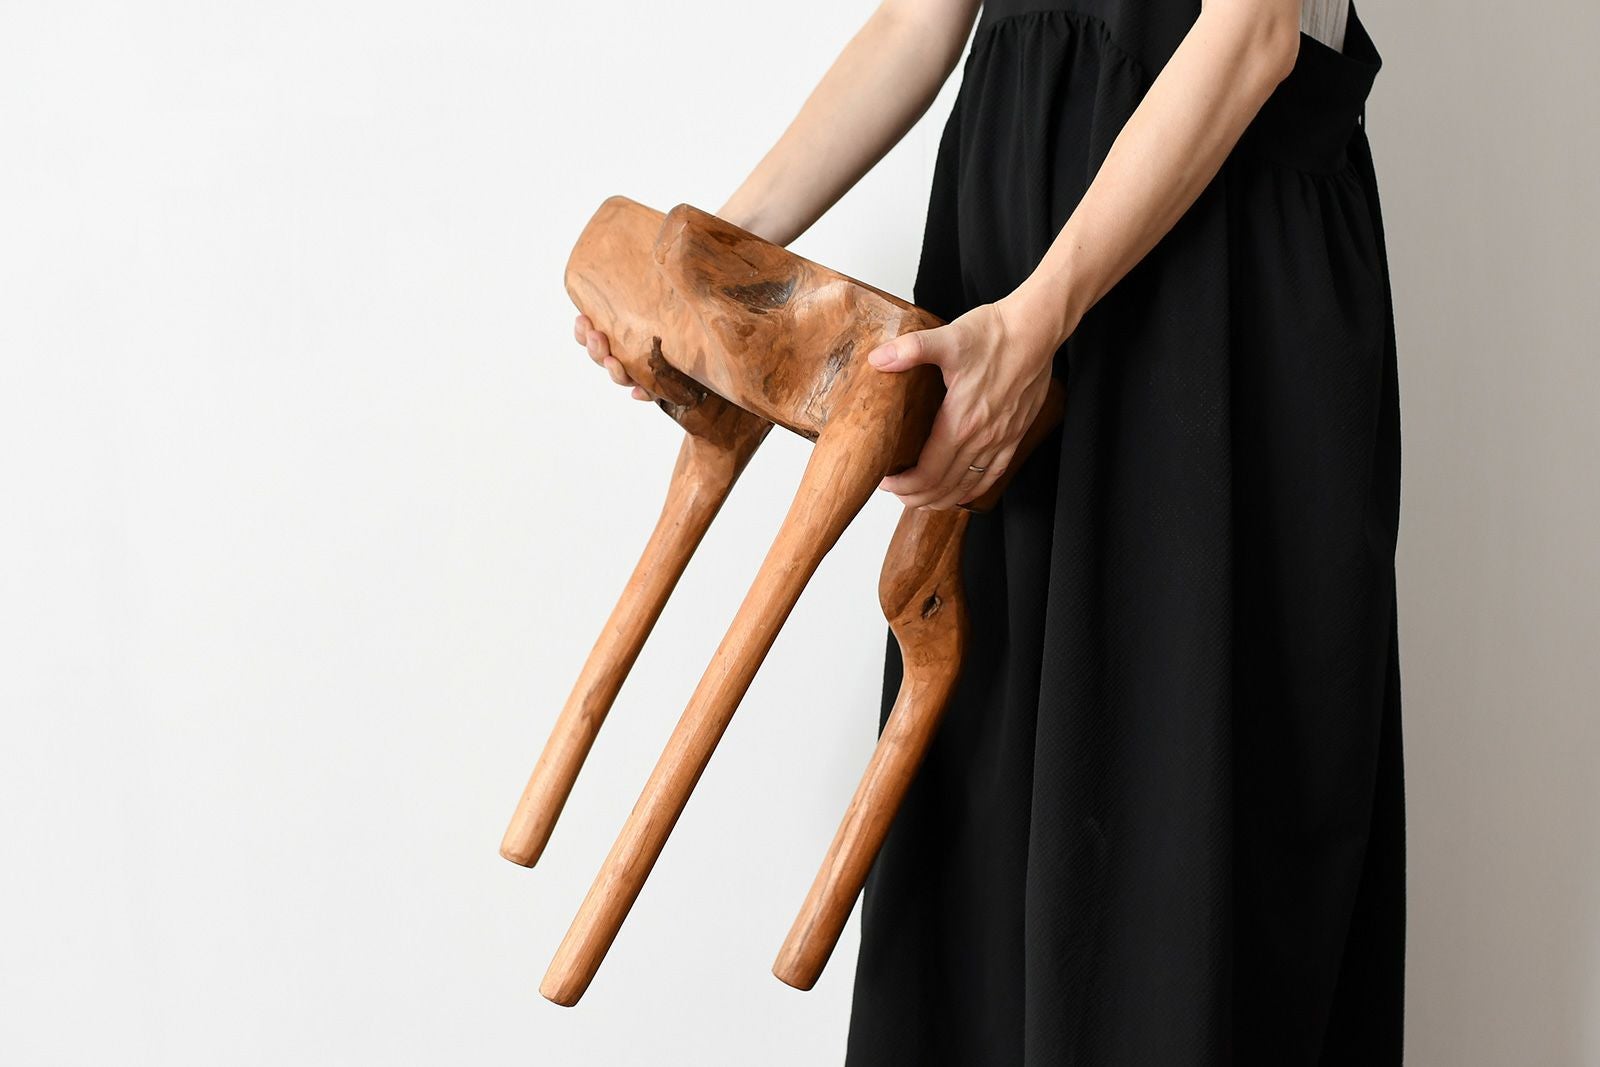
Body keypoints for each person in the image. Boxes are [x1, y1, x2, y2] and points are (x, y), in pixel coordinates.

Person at [577, 0, 1404, 1061]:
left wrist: (1039, 317)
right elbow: (917, 24)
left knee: (1170, 850)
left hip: (1210, 284)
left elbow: (1253, 33)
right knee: (982, 856)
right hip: (1007, 273)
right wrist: (703, 276)